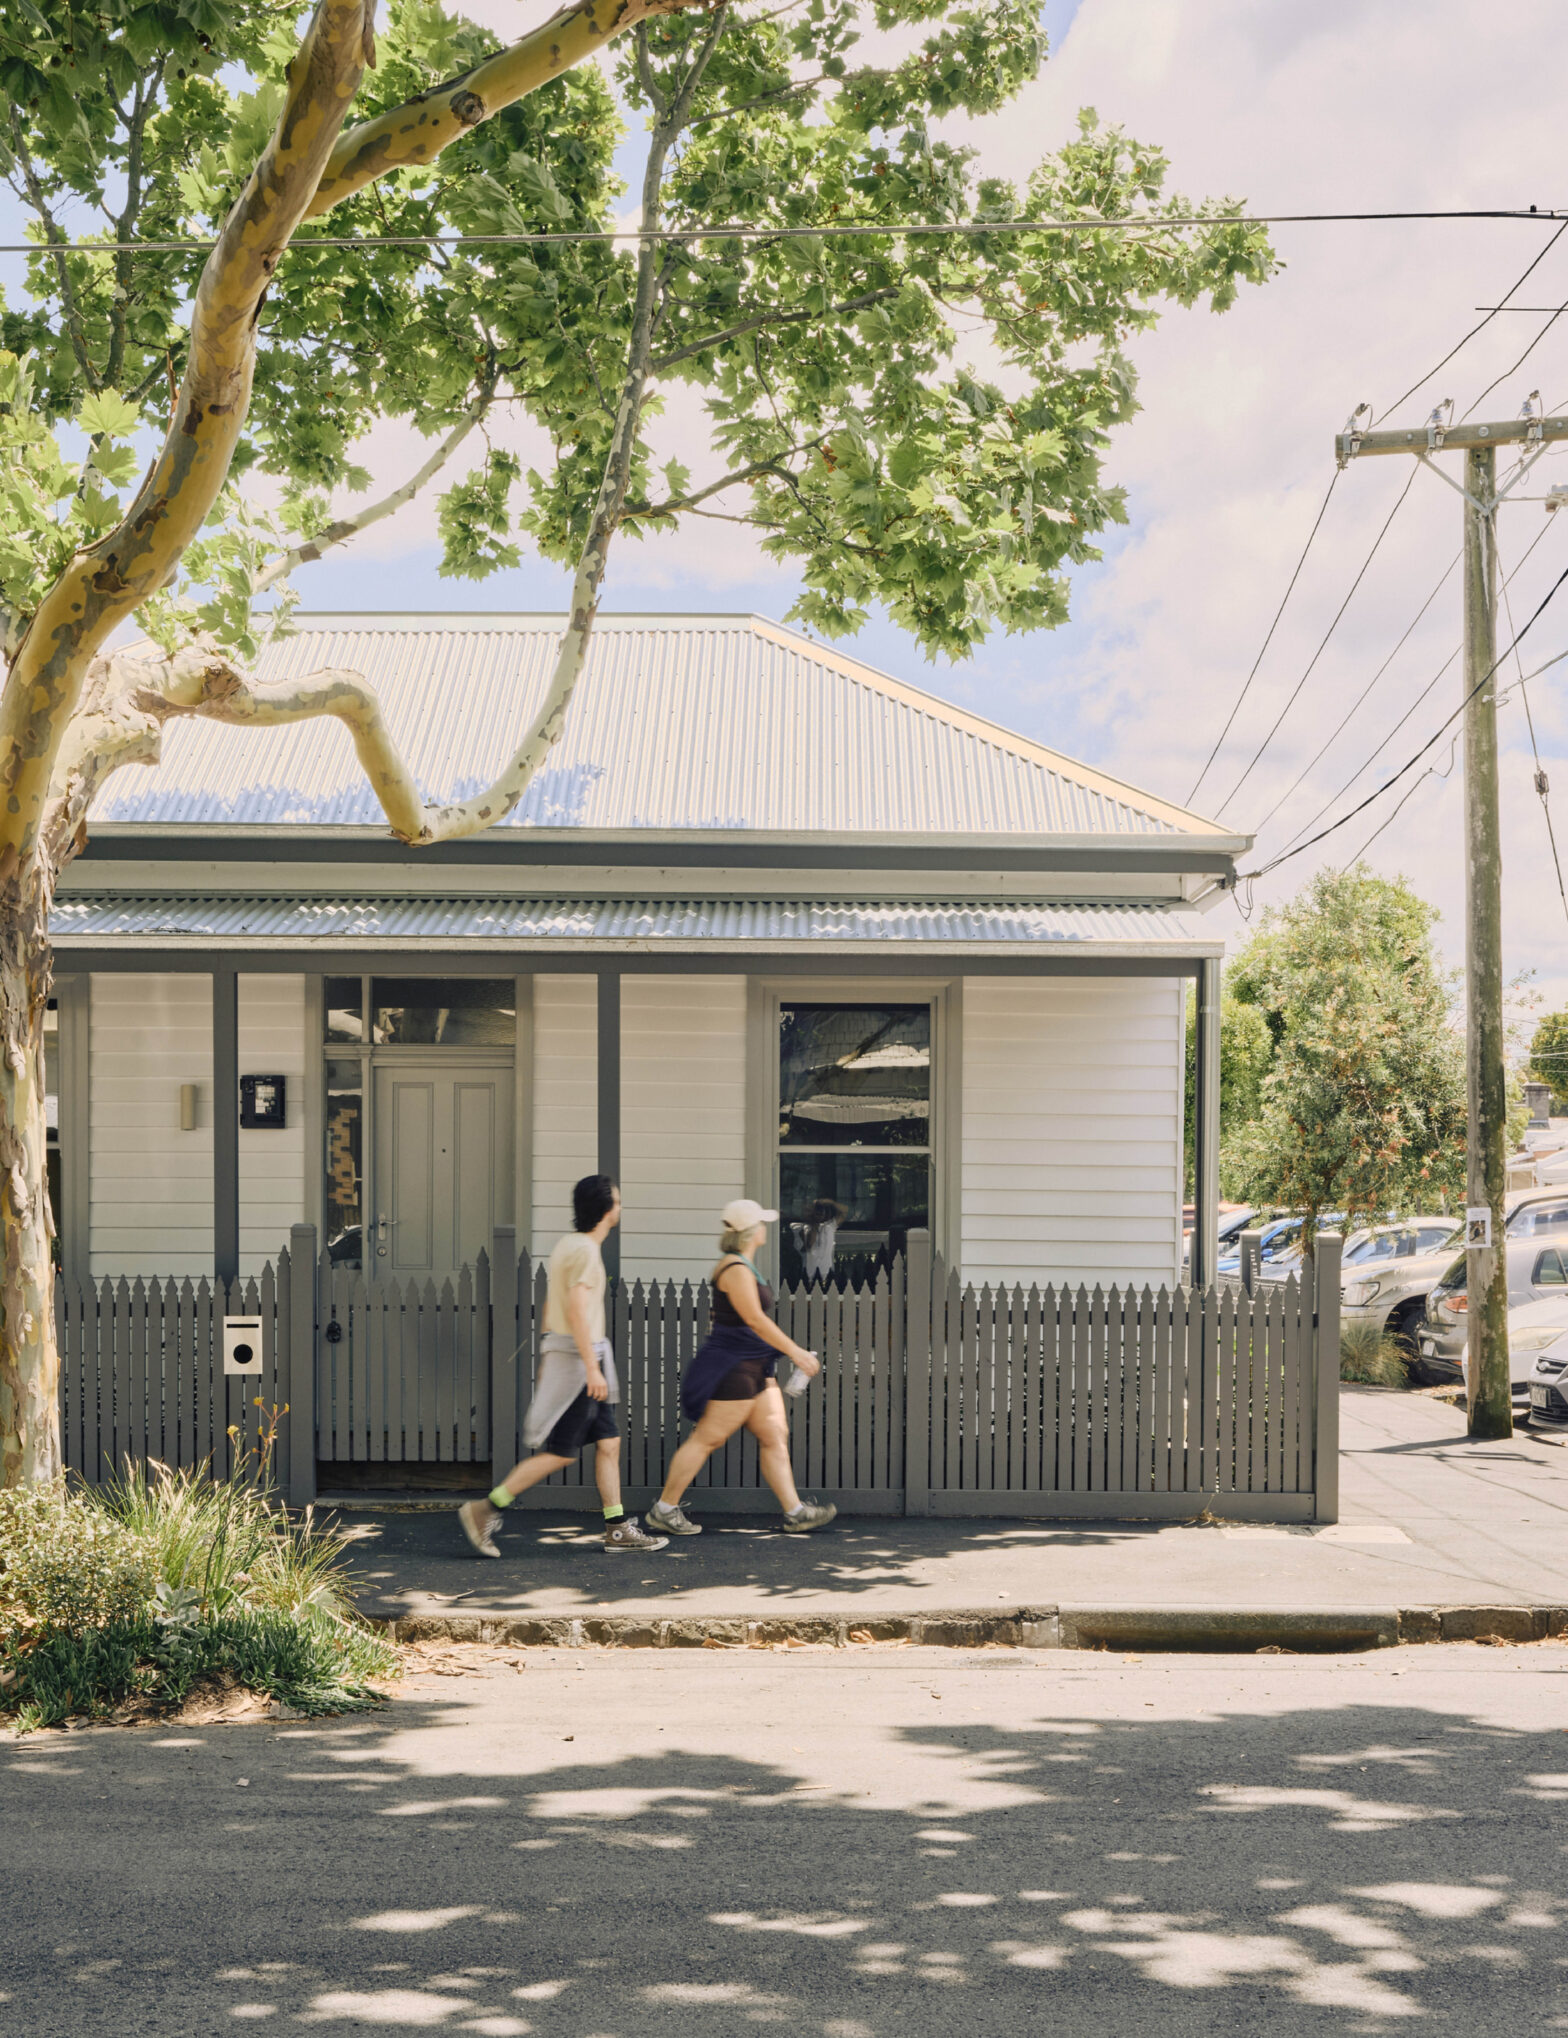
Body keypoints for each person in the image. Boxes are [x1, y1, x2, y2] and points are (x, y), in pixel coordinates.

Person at [458, 1175, 667, 1557]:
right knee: (561, 1452)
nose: (620, 1208)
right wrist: (590, 1368)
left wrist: (549, 1356)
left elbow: (552, 1310)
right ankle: (485, 1508)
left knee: (609, 1442)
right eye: (617, 1202)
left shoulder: (569, 1245)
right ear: (605, 1210)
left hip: (575, 1354)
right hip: (579, 1360)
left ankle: (617, 1528)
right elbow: (575, 1309)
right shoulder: (585, 1251)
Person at [646, 1199, 837, 1538]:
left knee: (774, 1434)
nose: (766, 1228)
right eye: (761, 1223)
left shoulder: (744, 1265)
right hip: (734, 1366)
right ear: (750, 1231)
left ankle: (795, 1512)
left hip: (755, 1364)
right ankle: (664, 1510)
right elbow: (753, 1319)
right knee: (706, 1438)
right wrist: (796, 1353)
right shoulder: (733, 1268)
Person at [790, 1197, 845, 1286]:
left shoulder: (829, 1227)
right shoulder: (804, 1229)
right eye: (816, 1213)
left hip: (828, 1273)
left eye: (821, 1212)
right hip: (810, 1275)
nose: (819, 1215)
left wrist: (830, 1203)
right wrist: (814, 1223)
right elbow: (809, 1245)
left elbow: (843, 1212)